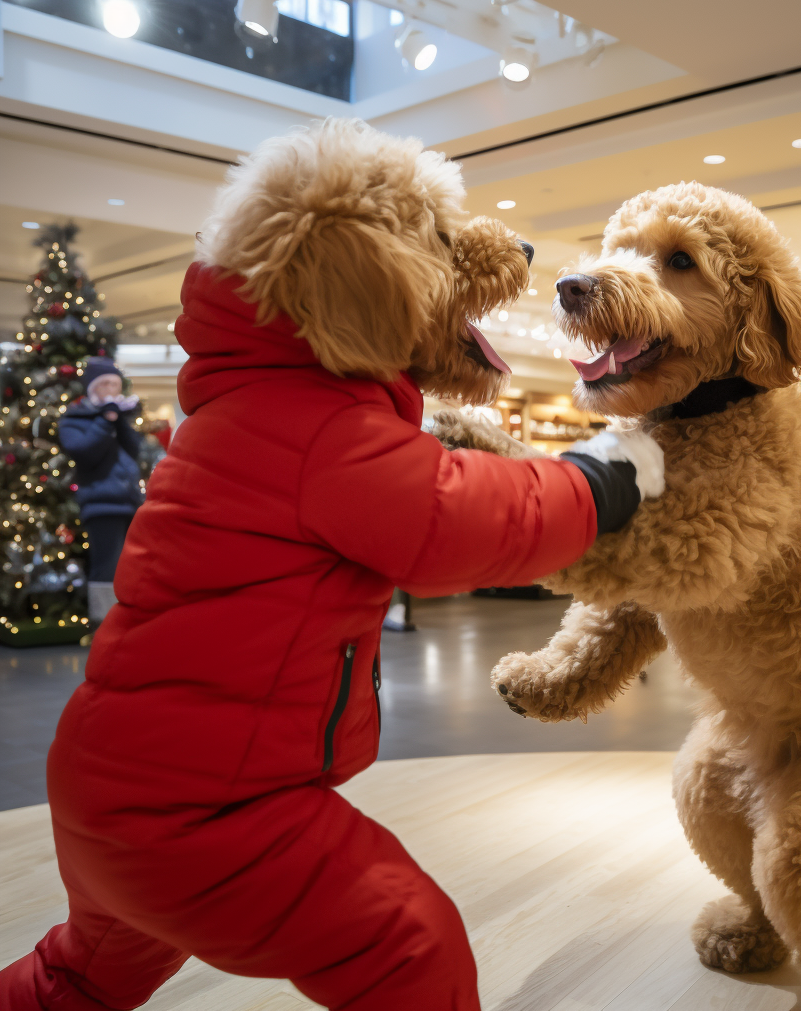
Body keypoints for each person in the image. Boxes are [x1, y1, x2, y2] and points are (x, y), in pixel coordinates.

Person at [0, 265, 663, 1011]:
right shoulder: (320, 424)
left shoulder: (246, 408)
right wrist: (597, 480)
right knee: (406, 945)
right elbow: (453, 523)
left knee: (79, 978)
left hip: (106, 777)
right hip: (206, 807)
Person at [57, 356, 143, 625]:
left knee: (131, 566)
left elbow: (134, 450)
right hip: (101, 503)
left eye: (115, 384)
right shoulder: (75, 418)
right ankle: (104, 625)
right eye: (105, 383)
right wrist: (105, 419)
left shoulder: (116, 416)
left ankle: (130, 622)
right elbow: (84, 452)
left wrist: (118, 420)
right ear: (92, 387)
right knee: (107, 566)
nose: (111, 390)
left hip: (130, 502)